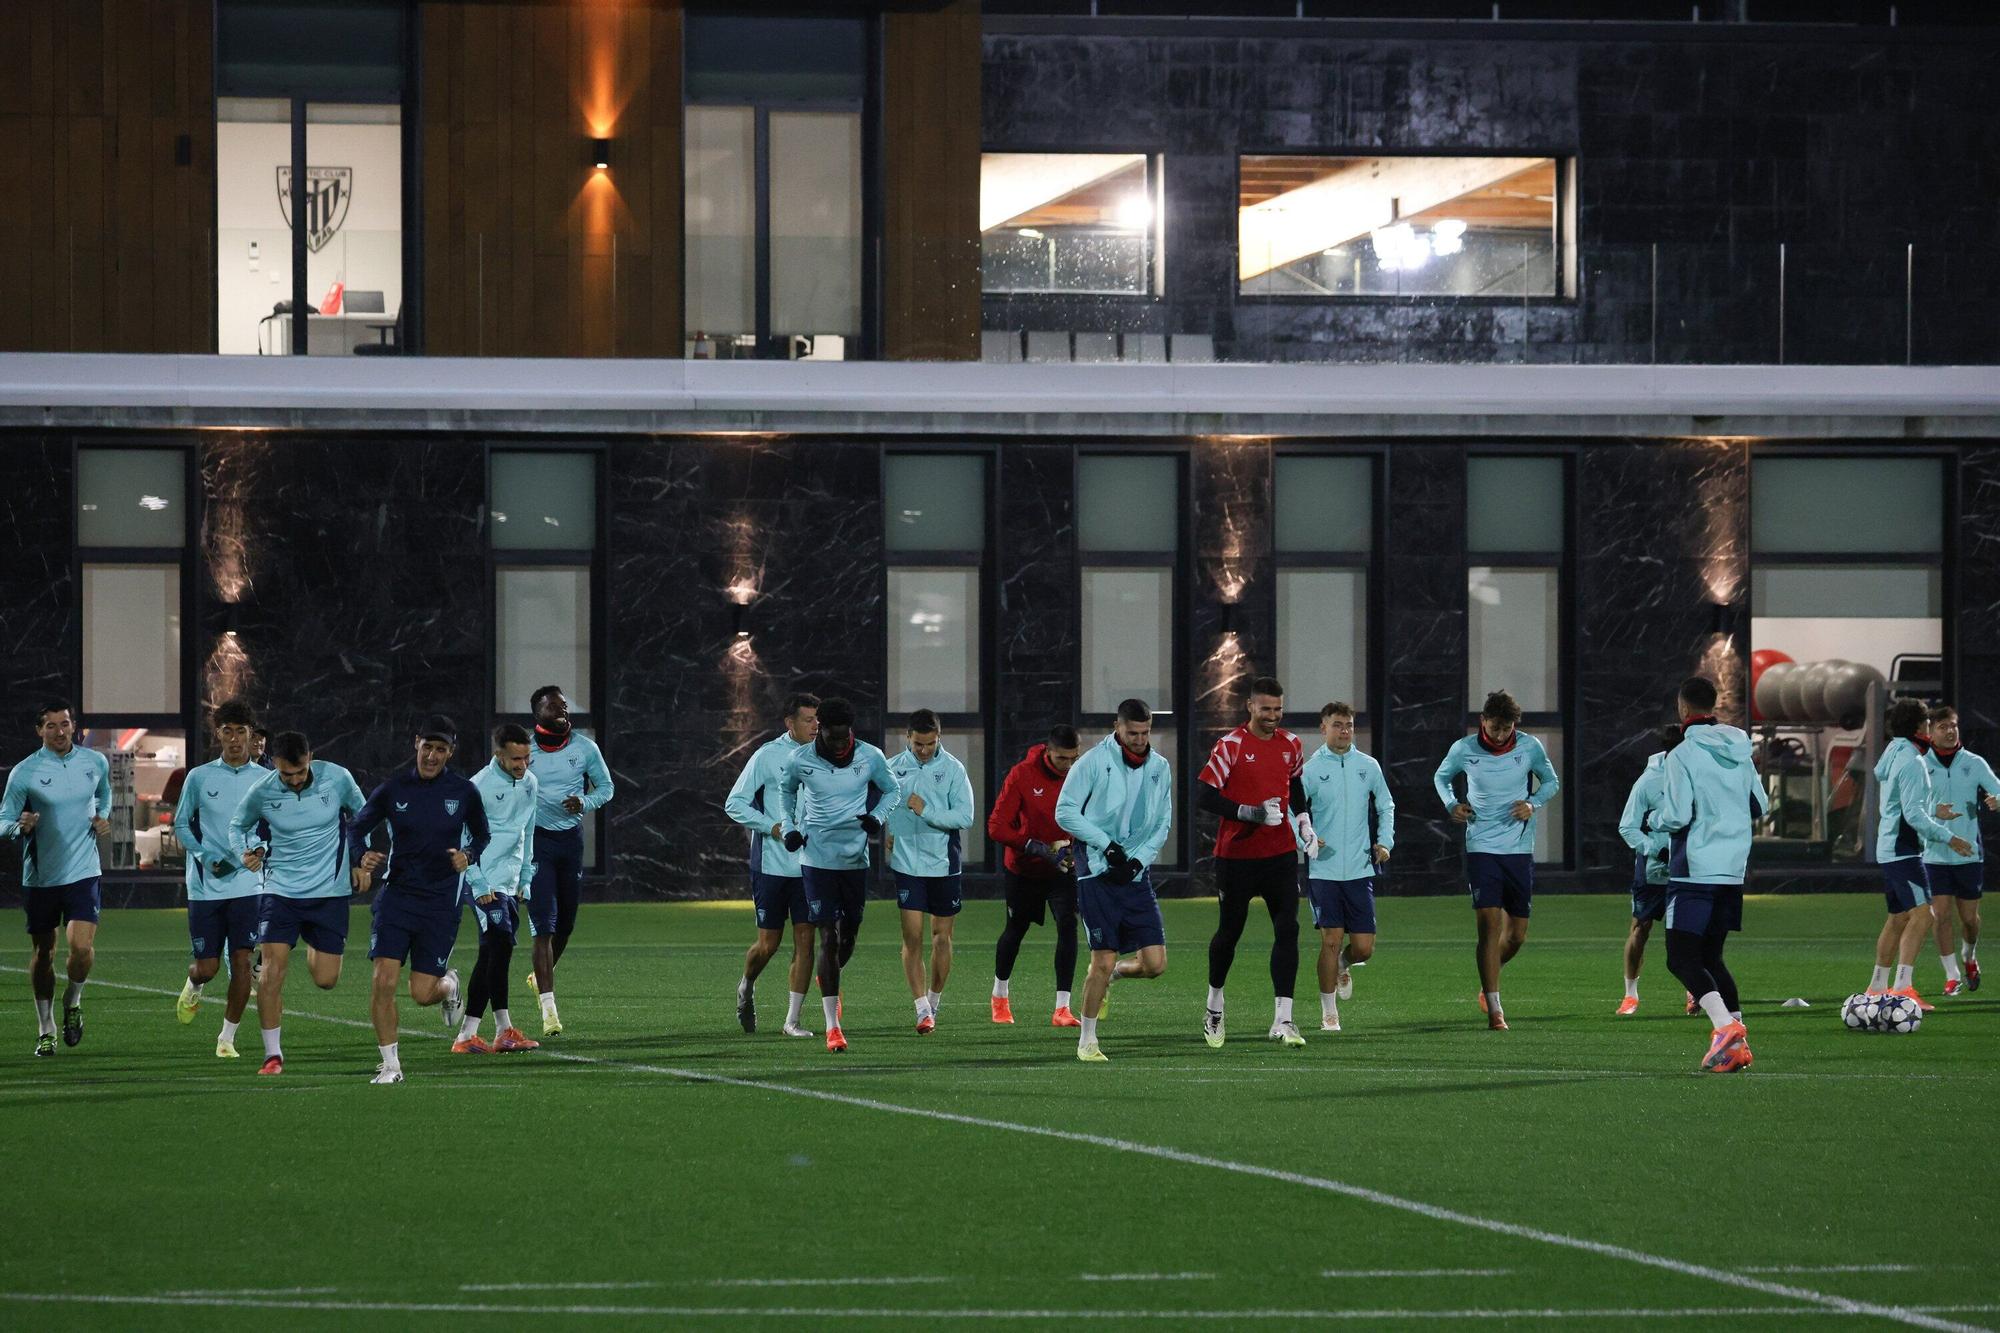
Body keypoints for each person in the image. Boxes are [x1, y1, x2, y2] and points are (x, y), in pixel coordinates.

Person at [348, 716, 489, 1084]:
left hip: (441, 904)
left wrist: (469, 855)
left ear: (450, 753)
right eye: (428, 746)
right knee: (382, 981)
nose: (432, 755)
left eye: (440, 749)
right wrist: (361, 856)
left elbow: (483, 835)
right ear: (416, 744)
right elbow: (357, 828)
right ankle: (391, 1065)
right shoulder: (394, 789)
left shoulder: (463, 792)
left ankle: (449, 985)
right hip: (397, 898)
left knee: (422, 993)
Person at [230, 731, 369, 1076]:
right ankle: (272, 1055)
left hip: (328, 893)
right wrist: (244, 851)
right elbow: (237, 825)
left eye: (300, 772)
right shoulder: (262, 791)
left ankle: (308, 940)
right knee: (273, 972)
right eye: (286, 774)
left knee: (326, 979)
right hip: (280, 891)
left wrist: (360, 857)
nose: (293, 780)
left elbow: (363, 814)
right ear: (275, 765)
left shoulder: (336, 778)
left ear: (311, 758)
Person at [1654, 677, 1771, 1074]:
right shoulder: (1740, 749)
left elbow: (1676, 815)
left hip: (1694, 870)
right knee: (1711, 958)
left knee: (1679, 958)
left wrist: (1655, 819)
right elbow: (1761, 804)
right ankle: (1739, 1044)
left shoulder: (1681, 755)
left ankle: (1725, 1028)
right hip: (1732, 868)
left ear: (1683, 709)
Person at [776, 697, 901, 1053]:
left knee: (848, 938)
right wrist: (790, 828)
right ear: (821, 731)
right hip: (816, 859)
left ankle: (828, 974)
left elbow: (892, 790)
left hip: (854, 860)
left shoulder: (870, 756)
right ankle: (834, 1027)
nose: (840, 744)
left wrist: (877, 817)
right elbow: (785, 792)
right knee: (827, 936)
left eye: (845, 737)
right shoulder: (800, 760)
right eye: (833, 737)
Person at [1434, 689, 1560, 1031]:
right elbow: (1441, 777)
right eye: (1495, 727)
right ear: (1483, 721)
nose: (1501, 734)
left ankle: (1489, 977)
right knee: (1489, 928)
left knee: (1516, 935)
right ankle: (1495, 1007)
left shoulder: (1530, 747)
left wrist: (1532, 803)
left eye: (1507, 728)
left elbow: (1552, 782)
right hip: (1481, 847)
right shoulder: (1465, 749)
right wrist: (1451, 804)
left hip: (1518, 850)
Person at [1056, 698, 1174, 1063]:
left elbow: (1162, 823)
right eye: (1132, 732)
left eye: (1145, 732)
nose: (1139, 739)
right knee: (1101, 959)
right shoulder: (1092, 762)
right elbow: (1065, 811)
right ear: (1116, 727)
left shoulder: (1160, 767)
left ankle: (1116, 977)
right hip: (1096, 873)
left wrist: (1138, 859)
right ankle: (1087, 1040)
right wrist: (1107, 847)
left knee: (1155, 965)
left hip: (1136, 875)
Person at [1196, 676, 1308, 1049]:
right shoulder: (1230, 745)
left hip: (1279, 854)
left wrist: (1304, 819)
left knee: (1288, 929)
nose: (1273, 716)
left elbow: (1296, 785)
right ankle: (1214, 1004)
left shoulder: (1291, 744)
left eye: (1278, 709)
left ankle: (1284, 1019)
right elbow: (1204, 796)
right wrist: (1249, 812)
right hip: (1237, 857)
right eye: (1266, 709)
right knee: (1230, 934)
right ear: (1250, 706)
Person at [0, 702, 112, 1056]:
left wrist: (102, 816)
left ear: (73, 726)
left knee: (80, 949)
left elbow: (104, 794)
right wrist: (20, 827)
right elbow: (3, 820)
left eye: (65, 724)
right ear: (39, 730)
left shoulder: (94, 762)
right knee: (44, 954)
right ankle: (45, 1026)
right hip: (42, 877)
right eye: (51, 726)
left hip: (83, 872)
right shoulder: (25, 772)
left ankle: (73, 1001)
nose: (60, 731)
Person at [171, 699, 269, 1056]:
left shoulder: (264, 780)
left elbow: (272, 828)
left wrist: (259, 852)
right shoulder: (199, 777)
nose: (234, 739)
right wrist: (204, 854)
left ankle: (226, 1039)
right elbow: (180, 824)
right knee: (208, 966)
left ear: (250, 735)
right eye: (227, 731)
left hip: (247, 884)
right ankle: (194, 982)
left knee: (243, 959)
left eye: (240, 731)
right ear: (218, 734)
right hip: (205, 886)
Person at [1291, 701, 1393, 1034]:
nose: (1344, 730)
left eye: (1348, 724)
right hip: (1324, 870)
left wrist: (1385, 842)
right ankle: (1329, 1012)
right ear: (1324, 728)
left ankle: (1344, 966)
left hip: (1360, 869)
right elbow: (1293, 811)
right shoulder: (1310, 769)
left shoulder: (1368, 766)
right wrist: (1305, 837)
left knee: (1364, 947)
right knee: (1330, 941)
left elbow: (1386, 804)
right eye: (1337, 725)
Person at [1864, 698, 1972, 1012]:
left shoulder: (1895, 751)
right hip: (1903, 850)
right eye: (1928, 723)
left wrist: (1933, 811)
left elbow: (1901, 804)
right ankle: (1901, 989)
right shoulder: (1912, 761)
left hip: (1892, 846)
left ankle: (1876, 987)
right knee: (1925, 915)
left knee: (1898, 919)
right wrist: (1948, 837)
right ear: (1920, 727)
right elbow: (1912, 815)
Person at [723, 692, 820, 1038]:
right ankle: (746, 986)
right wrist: (772, 826)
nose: (815, 726)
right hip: (772, 866)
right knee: (769, 944)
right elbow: (734, 803)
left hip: (811, 866)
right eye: (808, 719)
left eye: (817, 719)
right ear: (789, 723)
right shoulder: (767, 756)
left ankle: (792, 1020)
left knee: (806, 941)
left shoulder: (823, 757)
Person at [524, 685, 614, 1037]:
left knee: (566, 925)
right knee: (543, 926)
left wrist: (585, 802)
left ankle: (538, 977)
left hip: (569, 843)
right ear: (537, 714)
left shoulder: (585, 748)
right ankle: (549, 1010)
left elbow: (607, 788)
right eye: (554, 707)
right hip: (535, 844)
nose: (563, 711)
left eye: (564, 706)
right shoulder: (525, 749)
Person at [987, 725, 1083, 1027]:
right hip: (1025, 868)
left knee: (1069, 926)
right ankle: (999, 996)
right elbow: (996, 826)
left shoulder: (1080, 774)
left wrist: (1075, 849)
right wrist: (1035, 847)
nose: (1067, 766)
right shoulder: (1021, 775)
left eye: (1073, 759)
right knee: (1016, 929)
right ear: (1048, 751)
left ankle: (1062, 1008)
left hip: (1062, 869)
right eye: (1061, 759)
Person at [886, 709, 976, 1034]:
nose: (924, 750)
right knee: (912, 937)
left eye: (930, 743)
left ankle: (934, 999)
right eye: (918, 743)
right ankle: (921, 1008)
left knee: (941, 938)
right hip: (907, 864)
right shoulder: (892, 767)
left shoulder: (953, 769)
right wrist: (891, 830)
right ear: (907, 737)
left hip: (943, 863)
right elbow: (884, 806)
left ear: (939, 737)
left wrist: (927, 811)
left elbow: (965, 817)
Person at [456, 723, 543, 1054]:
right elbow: (465, 838)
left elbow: (528, 832)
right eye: (516, 758)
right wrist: (477, 882)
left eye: (526, 758)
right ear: (498, 755)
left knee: (493, 951)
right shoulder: (477, 786)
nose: (522, 765)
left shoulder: (531, 783)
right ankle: (502, 1030)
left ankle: (468, 1034)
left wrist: (526, 877)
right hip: (483, 879)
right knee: (501, 943)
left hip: (509, 883)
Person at [1921, 705, 1997, 995]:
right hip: (1935, 854)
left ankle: (1969, 956)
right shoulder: (1922, 766)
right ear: (1931, 732)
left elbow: (1998, 788)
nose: (1950, 731)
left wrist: (1997, 799)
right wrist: (1933, 810)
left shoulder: (1974, 763)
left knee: (1969, 920)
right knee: (1940, 916)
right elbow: (1909, 807)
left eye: (1953, 725)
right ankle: (1951, 974)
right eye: (1943, 727)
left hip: (1968, 854)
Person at [1613, 725, 1683, 1016]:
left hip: (1690, 868)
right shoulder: (1648, 782)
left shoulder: (1699, 778)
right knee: (1640, 929)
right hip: (1654, 870)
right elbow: (1627, 826)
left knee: (1689, 934)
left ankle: (1695, 992)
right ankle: (1630, 995)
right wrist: (1656, 848)